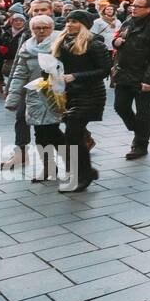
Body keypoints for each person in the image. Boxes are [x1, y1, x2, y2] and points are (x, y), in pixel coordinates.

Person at [53, 11, 112, 193]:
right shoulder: (63, 41)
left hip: (90, 94)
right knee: (72, 135)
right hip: (69, 94)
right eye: (68, 21)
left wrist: (75, 76)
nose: (69, 24)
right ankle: (87, 171)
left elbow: (105, 70)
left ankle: (84, 176)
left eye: (75, 22)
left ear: (85, 25)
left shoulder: (94, 44)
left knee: (73, 134)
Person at [4, 15, 65, 183]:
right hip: (35, 96)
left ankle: (75, 165)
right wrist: (12, 99)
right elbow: (19, 74)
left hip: (57, 95)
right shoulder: (27, 46)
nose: (41, 30)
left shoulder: (61, 43)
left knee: (53, 133)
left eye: (45, 27)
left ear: (52, 28)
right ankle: (49, 168)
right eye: (37, 28)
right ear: (31, 29)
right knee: (40, 133)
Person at [0, 0, 54, 171]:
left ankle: (81, 141)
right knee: (21, 117)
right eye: (36, 10)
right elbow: (19, 59)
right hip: (29, 84)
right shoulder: (26, 32)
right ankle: (21, 153)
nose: (39, 13)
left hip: (52, 87)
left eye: (43, 10)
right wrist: (11, 89)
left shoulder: (59, 31)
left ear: (51, 11)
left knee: (48, 126)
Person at [111, 0, 150, 161]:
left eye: (138, 6)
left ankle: (140, 144)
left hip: (142, 76)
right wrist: (116, 42)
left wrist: (149, 80)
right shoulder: (128, 22)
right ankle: (139, 130)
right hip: (123, 73)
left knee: (143, 111)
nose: (133, 8)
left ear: (148, 9)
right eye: (133, 5)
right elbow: (117, 39)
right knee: (120, 106)